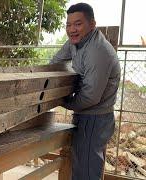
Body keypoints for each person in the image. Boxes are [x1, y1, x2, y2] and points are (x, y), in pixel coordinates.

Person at [50, 3, 121, 180]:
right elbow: (56, 62)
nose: (72, 29)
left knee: (87, 173)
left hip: (95, 118)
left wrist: (63, 102)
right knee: (82, 166)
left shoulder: (97, 51)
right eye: (68, 24)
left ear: (92, 24)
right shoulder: (76, 41)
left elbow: (90, 97)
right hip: (85, 115)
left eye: (78, 24)